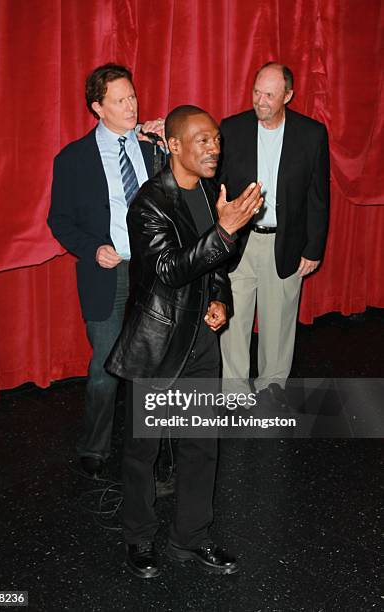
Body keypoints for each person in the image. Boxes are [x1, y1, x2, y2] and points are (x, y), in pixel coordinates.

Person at [106, 105, 263, 578]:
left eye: (216, 139)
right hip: (156, 344)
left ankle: (189, 538)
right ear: (173, 146)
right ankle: (139, 538)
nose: (214, 148)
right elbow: (171, 269)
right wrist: (225, 230)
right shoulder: (149, 204)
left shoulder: (212, 190)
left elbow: (215, 265)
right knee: (143, 451)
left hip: (199, 340)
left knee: (200, 445)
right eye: (202, 140)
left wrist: (220, 300)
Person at [47, 64, 165, 478]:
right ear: (98, 107)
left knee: (153, 362)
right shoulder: (74, 158)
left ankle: (152, 446)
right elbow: (59, 220)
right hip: (108, 275)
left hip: (152, 270)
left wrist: (171, 143)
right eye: (120, 100)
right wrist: (92, 248)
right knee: (106, 366)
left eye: (132, 96)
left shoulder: (152, 146)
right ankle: (94, 447)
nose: (131, 105)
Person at [219, 62, 330, 399]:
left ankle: (272, 386)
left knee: (279, 321)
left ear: (289, 96)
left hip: (286, 242)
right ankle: (234, 390)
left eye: (269, 94)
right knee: (233, 320)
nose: (260, 100)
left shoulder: (311, 134)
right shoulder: (231, 128)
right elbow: (214, 185)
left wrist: (313, 248)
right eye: (256, 91)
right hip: (240, 240)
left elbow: (318, 196)